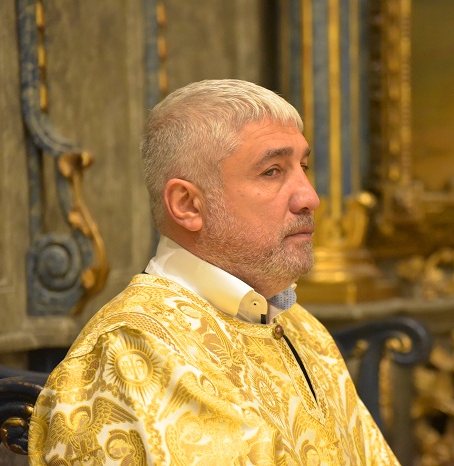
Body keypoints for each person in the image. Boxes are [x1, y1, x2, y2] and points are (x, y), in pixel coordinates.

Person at [28, 79, 399, 465]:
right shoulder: (127, 353)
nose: (310, 197)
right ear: (188, 204)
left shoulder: (301, 327)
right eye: (272, 171)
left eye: (302, 167)